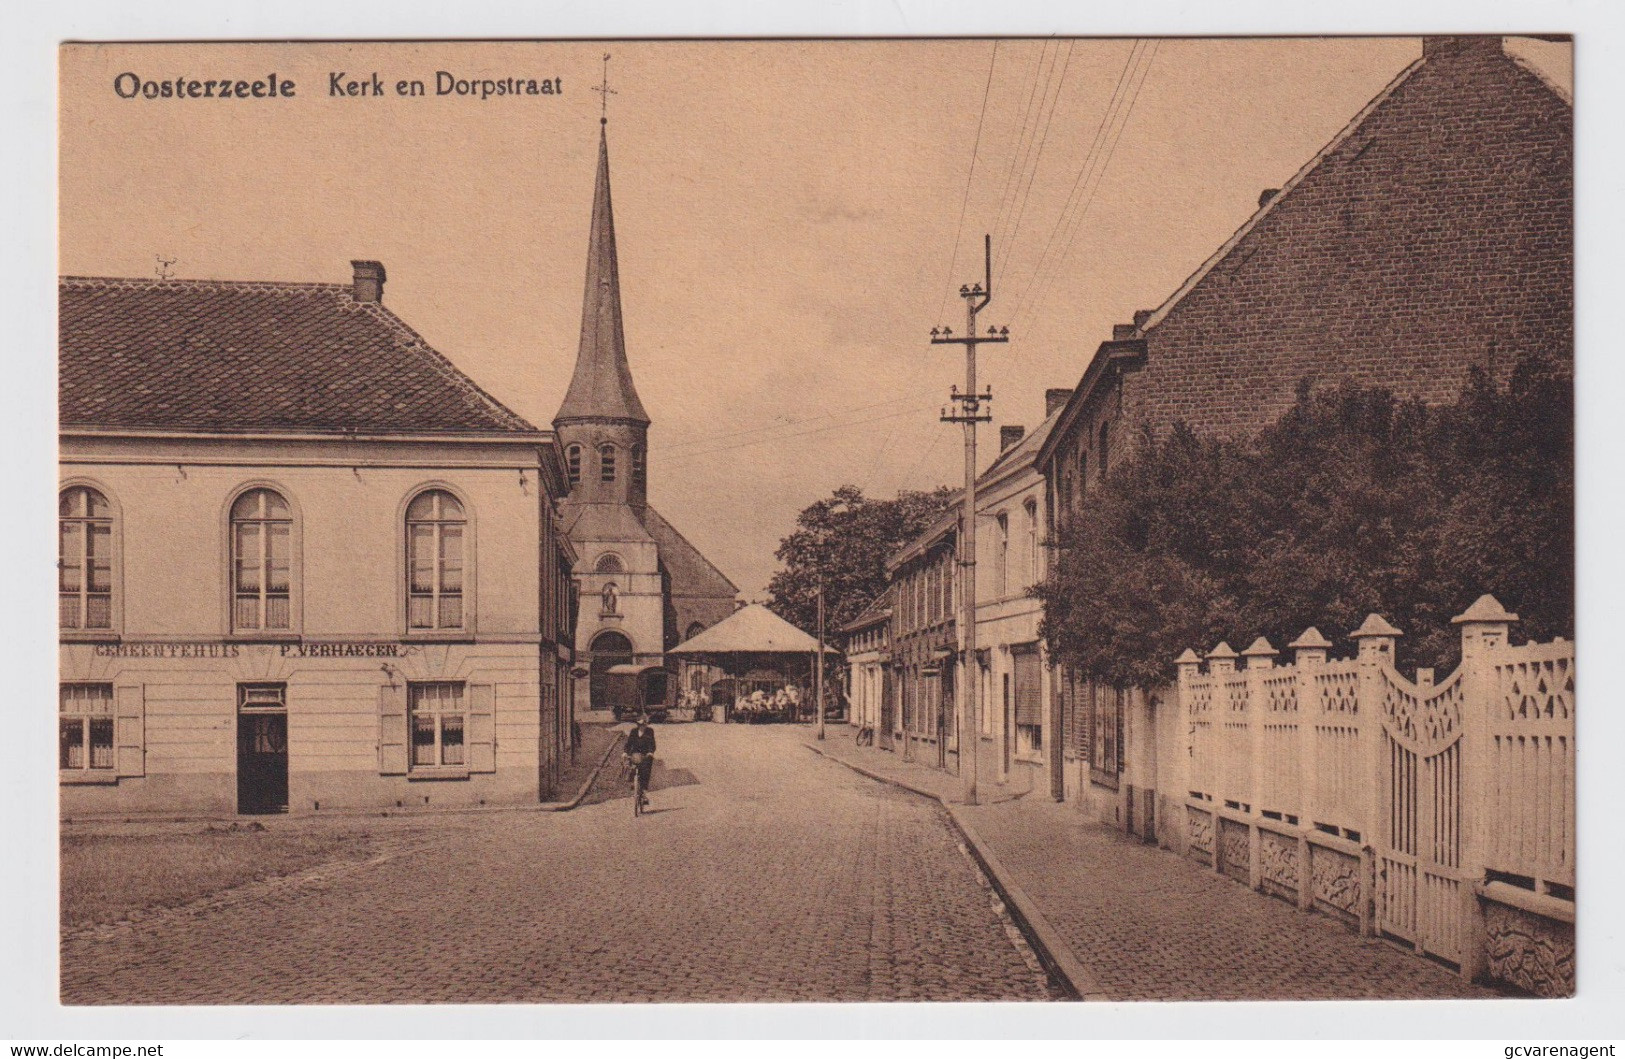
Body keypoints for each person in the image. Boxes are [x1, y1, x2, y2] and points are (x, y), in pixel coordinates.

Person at [624, 713, 657, 808]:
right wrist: (625, 752)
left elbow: (652, 744)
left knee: (645, 772)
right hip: (634, 753)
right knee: (630, 765)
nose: (642, 726)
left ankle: (644, 794)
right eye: (640, 724)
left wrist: (651, 752)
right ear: (637, 724)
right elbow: (628, 743)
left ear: (646, 724)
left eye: (644, 724)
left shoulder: (650, 731)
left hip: (646, 755)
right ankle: (633, 782)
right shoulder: (633, 731)